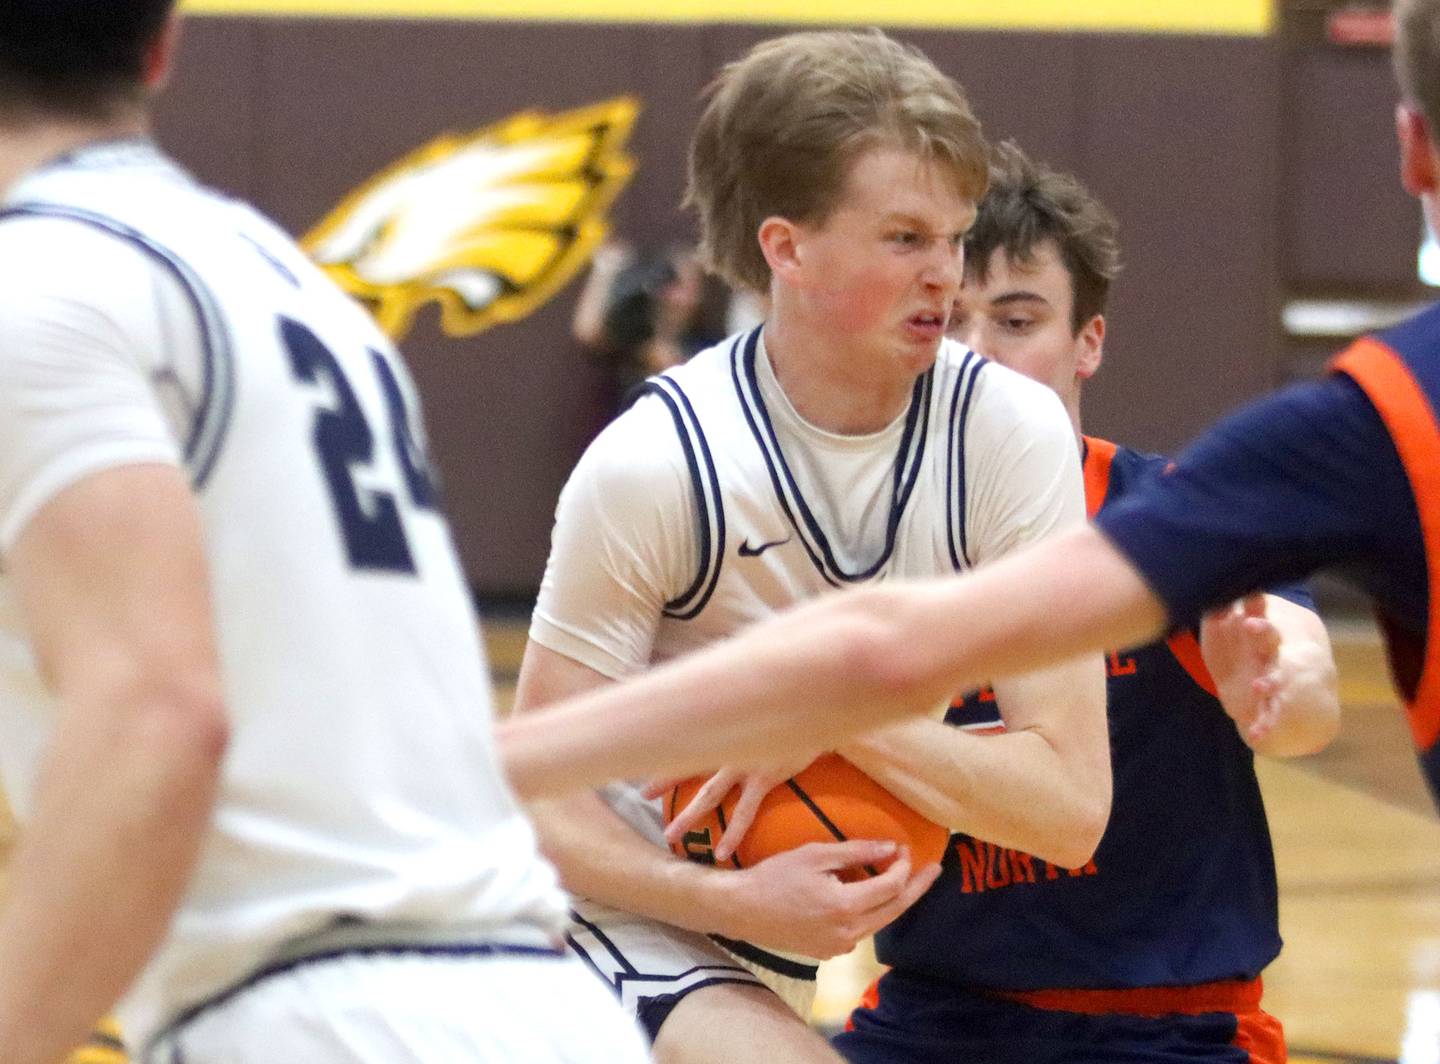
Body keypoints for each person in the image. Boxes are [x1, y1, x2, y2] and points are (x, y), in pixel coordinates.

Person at [0, 3, 651, 1062]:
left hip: (312, 1010)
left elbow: (153, 717)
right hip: (540, 996)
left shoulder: (39, 284)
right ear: (163, 47)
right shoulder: (289, 277)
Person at [514, 30, 1108, 1064]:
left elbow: (1068, 810)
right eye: (904, 239)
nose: (948, 279)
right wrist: (723, 891)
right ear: (787, 248)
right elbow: (535, 799)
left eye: (955, 236)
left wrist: (834, 710)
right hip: (589, 919)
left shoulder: (1010, 433)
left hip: (762, 944)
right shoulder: (659, 463)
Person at [831, 144, 1340, 1064]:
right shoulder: (862, 542)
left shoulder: (1173, 515)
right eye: (947, 323)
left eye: (1017, 320)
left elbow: (1304, 695)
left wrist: (1277, 683)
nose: (976, 355)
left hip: (1170, 1030)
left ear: (1088, 343)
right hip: (933, 1020)